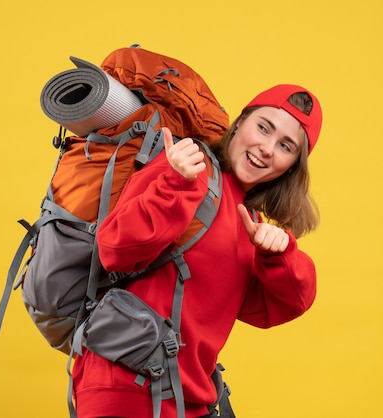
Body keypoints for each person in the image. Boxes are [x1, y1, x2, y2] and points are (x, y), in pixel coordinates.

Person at [71, 84, 323, 418]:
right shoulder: (187, 166)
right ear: (240, 123)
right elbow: (114, 249)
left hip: (189, 398)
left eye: (285, 146)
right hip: (125, 387)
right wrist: (175, 183)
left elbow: (274, 307)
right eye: (263, 127)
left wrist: (281, 256)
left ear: (292, 166)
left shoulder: (250, 221)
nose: (266, 148)